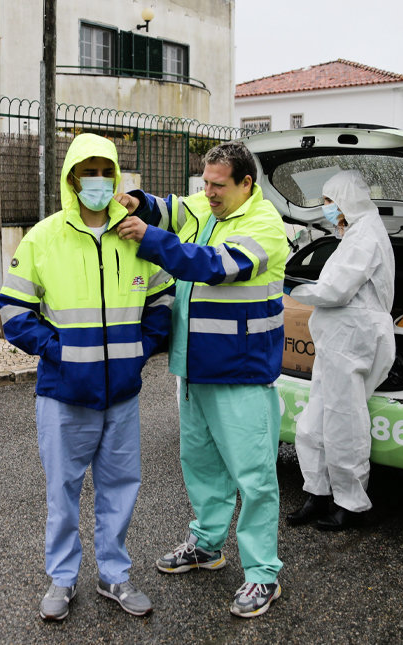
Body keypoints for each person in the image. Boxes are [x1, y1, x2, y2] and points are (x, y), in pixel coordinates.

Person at [0, 134, 174, 622]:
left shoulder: (135, 235)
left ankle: (114, 574)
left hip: (122, 391)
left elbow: (163, 299)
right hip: (63, 391)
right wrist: (58, 352)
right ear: (72, 177)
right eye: (87, 170)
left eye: (105, 170)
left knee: (121, 486)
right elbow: (13, 311)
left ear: (116, 176)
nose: (96, 179)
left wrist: (141, 349)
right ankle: (61, 577)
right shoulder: (43, 237)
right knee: (63, 490)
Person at [115, 141, 289, 619]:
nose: (207, 192)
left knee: (254, 476)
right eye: (205, 183)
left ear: (245, 184)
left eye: (218, 185)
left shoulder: (264, 227)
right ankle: (208, 545)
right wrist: (140, 202)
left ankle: (262, 575)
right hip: (194, 366)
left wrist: (149, 237)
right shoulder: (208, 205)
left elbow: (215, 267)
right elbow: (172, 208)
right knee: (202, 464)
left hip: (240, 371)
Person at [284, 170, 395, 531]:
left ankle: (351, 502)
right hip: (337, 343)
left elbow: (336, 290)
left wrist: (290, 287)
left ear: (348, 200)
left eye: (330, 201)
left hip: (353, 341)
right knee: (312, 423)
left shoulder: (365, 236)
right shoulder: (354, 233)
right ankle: (318, 493)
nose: (326, 208)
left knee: (344, 422)